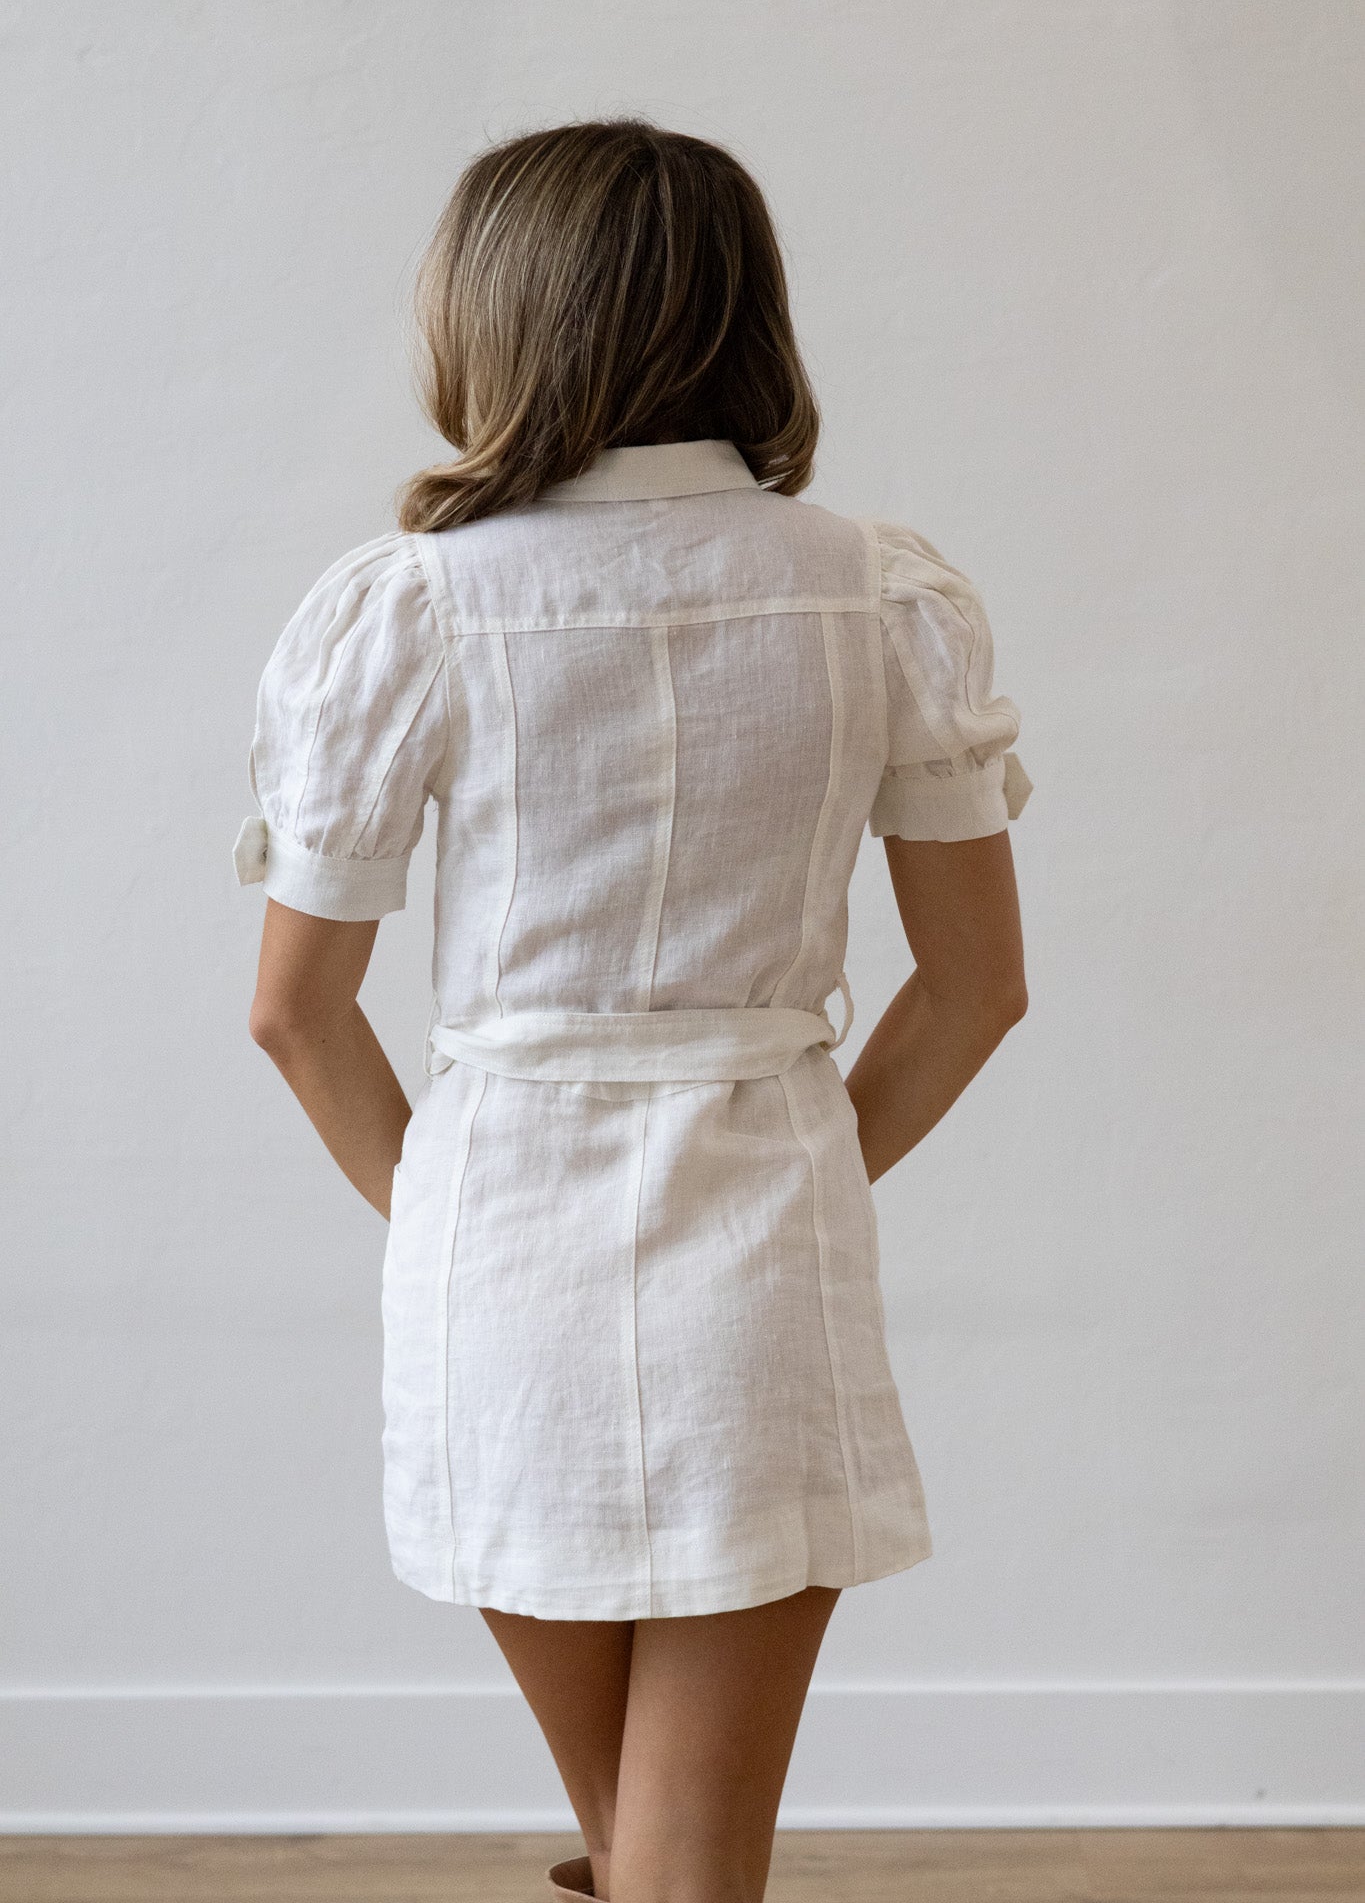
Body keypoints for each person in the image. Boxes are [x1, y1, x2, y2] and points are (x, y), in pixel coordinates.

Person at [234, 116, 1031, 1903]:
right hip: (764, 1220)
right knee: (675, 1851)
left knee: (639, 1843)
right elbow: (978, 988)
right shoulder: (876, 591)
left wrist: (445, 1208)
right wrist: (808, 1158)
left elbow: (297, 1010)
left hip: (497, 1235)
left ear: (492, 323)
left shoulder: (411, 608)